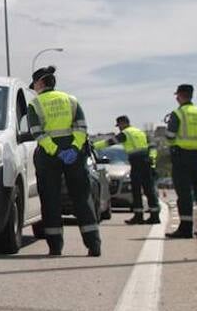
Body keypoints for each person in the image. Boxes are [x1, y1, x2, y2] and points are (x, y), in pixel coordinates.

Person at [27, 67, 100, 257]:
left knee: (50, 199)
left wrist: (56, 151)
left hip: (49, 157)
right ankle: (94, 245)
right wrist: (74, 149)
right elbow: (81, 128)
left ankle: (55, 247)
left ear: (41, 83)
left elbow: (37, 133)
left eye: (34, 84)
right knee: (82, 198)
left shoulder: (35, 104)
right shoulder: (71, 100)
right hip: (75, 155)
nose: (34, 88)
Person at [93, 115, 159, 225]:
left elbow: (109, 143)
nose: (119, 128)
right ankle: (155, 216)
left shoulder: (126, 133)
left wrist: (93, 146)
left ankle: (138, 216)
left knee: (136, 189)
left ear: (123, 123)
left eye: (119, 125)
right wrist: (153, 161)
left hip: (136, 162)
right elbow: (152, 147)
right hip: (146, 161)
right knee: (149, 189)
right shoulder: (141, 132)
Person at [165, 84, 197, 239]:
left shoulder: (178, 113)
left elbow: (170, 136)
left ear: (180, 96)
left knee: (184, 194)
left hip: (182, 157)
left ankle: (185, 229)